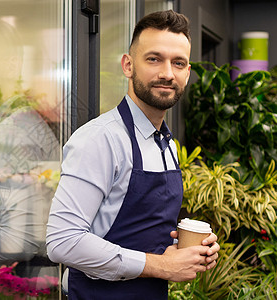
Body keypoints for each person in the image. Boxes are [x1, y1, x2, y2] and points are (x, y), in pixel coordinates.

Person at [45, 10, 220, 299]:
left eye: (178, 63)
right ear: (128, 65)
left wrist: (188, 252)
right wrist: (162, 265)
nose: (167, 73)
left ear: (187, 74)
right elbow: (63, 242)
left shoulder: (167, 145)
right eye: (154, 59)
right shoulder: (100, 139)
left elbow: (148, 234)